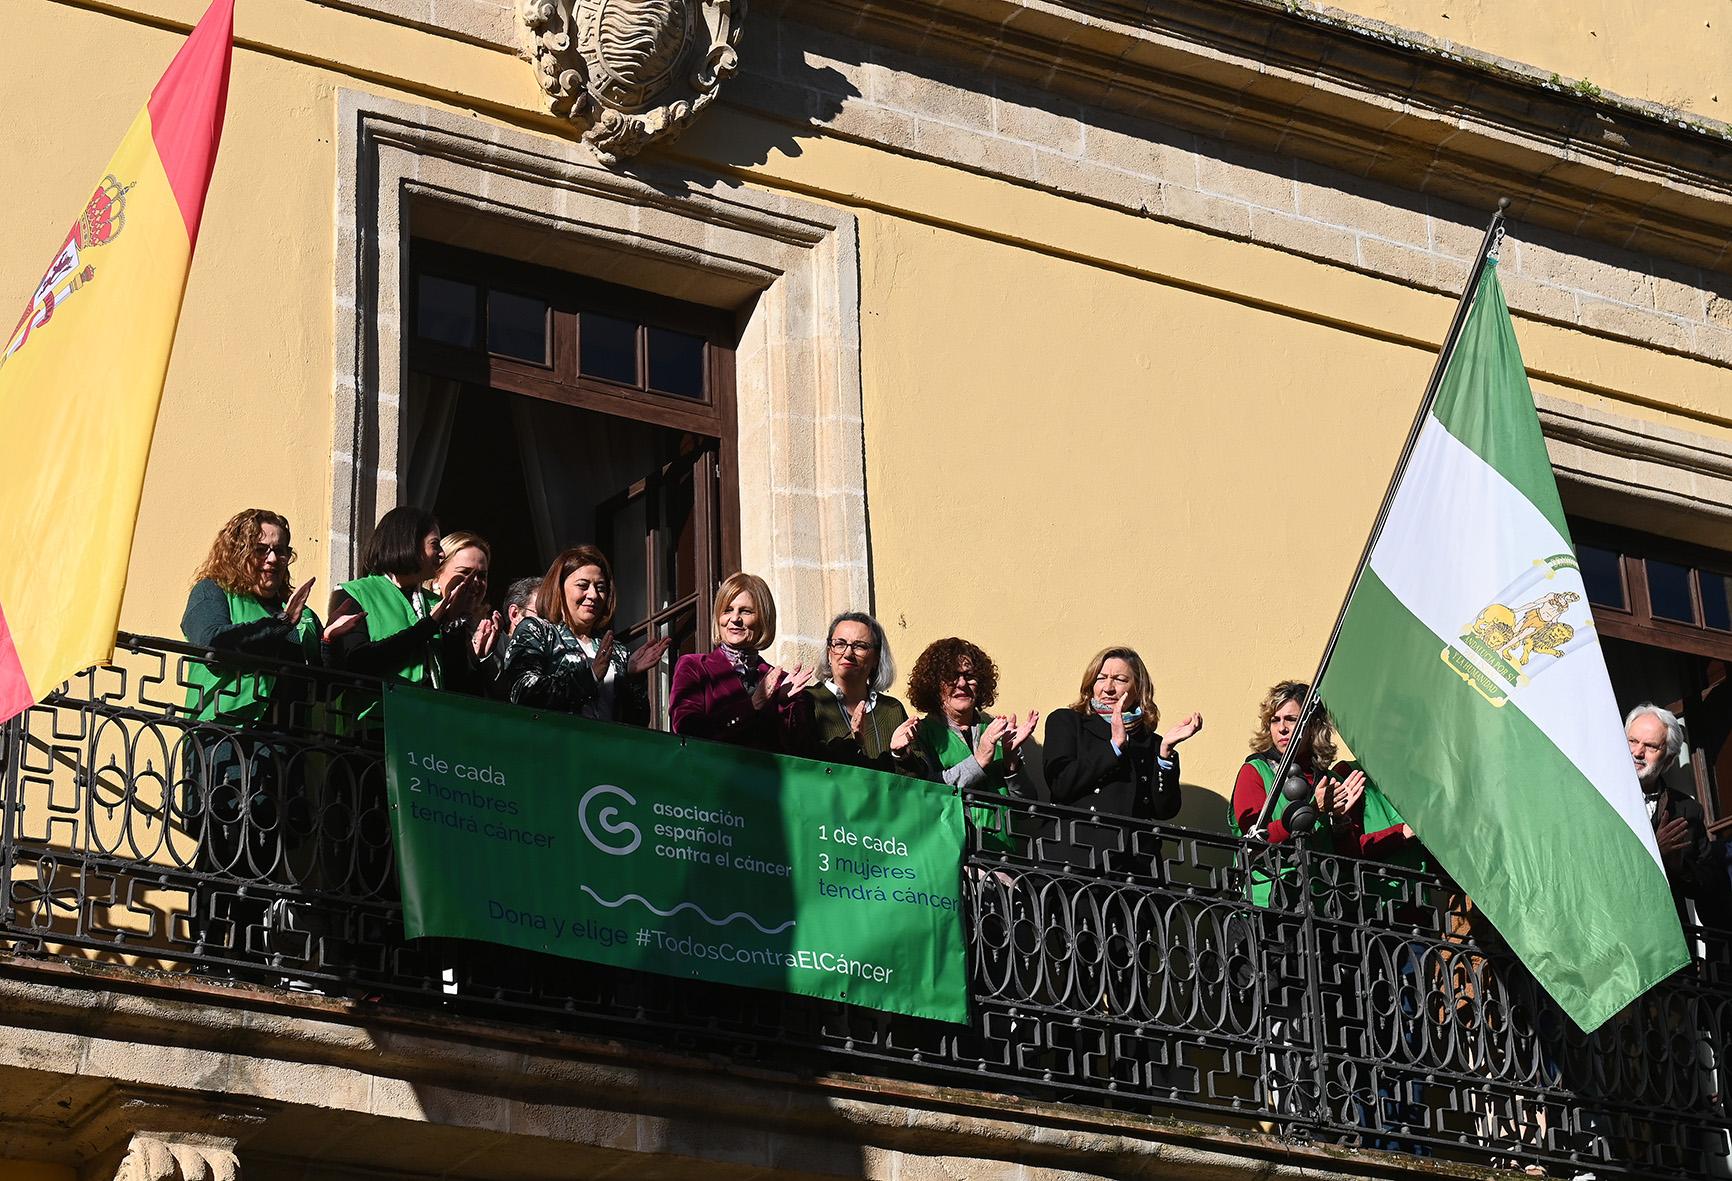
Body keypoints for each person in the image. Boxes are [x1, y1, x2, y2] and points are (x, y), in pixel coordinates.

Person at [178, 508, 340, 968]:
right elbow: (212, 642)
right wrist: (279, 627)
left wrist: (329, 644)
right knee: (223, 846)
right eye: (261, 548)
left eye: (280, 550)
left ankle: (248, 960)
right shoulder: (214, 592)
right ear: (239, 550)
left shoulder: (302, 617)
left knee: (265, 857)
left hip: (281, 752)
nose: (272, 558)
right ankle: (208, 955)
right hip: (225, 741)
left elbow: (320, 686)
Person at [324, 507, 489, 698]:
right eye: (435, 545)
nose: (442, 554)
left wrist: (452, 628)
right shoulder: (354, 593)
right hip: (376, 722)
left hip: (431, 721)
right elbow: (356, 663)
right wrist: (429, 625)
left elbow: (457, 685)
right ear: (409, 543)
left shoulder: (437, 603)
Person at [502, 545, 671, 723]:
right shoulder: (538, 631)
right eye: (583, 585)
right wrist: (589, 677)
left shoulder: (617, 652)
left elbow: (637, 723)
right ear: (558, 589)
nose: (593, 595)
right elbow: (523, 692)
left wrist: (632, 678)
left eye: (600, 588)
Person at [905, 638, 1037, 852]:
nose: (962, 684)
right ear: (934, 684)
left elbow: (1027, 810)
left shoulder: (997, 730)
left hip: (1001, 863)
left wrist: (1012, 764)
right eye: (951, 677)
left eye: (970, 676)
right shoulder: (920, 732)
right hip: (949, 859)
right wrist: (979, 760)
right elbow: (928, 795)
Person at [669, 573, 814, 752]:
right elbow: (686, 730)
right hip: (712, 776)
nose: (735, 619)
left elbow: (801, 751)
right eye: (728, 610)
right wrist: (752, 705)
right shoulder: (694, 666)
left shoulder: (782, 682)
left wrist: (784, 703)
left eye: (746, 611)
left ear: (763, 619)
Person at [1627, 702, 1732, 929]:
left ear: (1669, 760)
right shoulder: (1593, 795)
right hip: (1609, 938)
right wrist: (1654, 852)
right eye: (1632, 741)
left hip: (1667, 939)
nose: (1637, 752)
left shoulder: (1687, 810)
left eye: (1651, 746)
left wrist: (1681, 869)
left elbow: (1711, 885)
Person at [807, 611, 921, 771]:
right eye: (839, 644)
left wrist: (900, 754)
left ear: (876, 658)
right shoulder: (808, 701)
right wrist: (853, 740)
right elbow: (806, 767)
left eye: (859, 646)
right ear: (828, 653)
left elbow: (919, 779)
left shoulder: (891, 710)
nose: (847, 654)